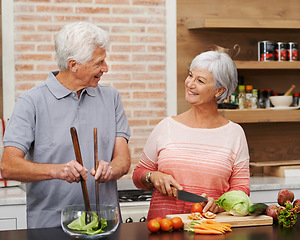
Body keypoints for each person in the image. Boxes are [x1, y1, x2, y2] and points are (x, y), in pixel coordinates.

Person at [0, 22, 131, 228]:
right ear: (73, 64)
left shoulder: (111, 98)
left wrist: (112, 169)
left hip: (106, 224)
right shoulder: (31, 102)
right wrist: (56, 171)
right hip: (50, 226)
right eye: (99, 62)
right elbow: (8, 166)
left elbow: (123, 159)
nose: (105, 68)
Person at [132, 49, 250, 220]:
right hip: (164, 229)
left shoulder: (235, 133)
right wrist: (153, 176)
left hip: (210, 229)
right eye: (190, 76)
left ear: (219, 90)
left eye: (200, 80)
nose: (190, 84)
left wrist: (222, 203)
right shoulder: (166, 127)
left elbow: (241, 188)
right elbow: (138, 175)